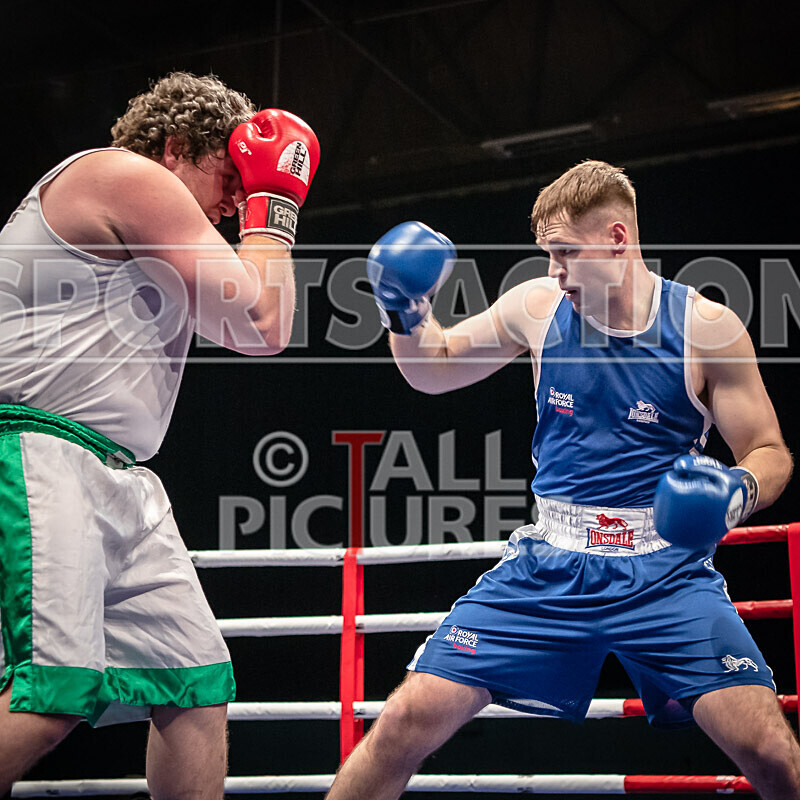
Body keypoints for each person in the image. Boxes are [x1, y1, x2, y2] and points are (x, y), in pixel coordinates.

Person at [326, 161, 800, 799]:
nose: (554, 271)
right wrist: (403, 309)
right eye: (548, 254)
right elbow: (433, 367)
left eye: (566, 252)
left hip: (666, 573)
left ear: (616, 238)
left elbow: (768, 450)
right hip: (549, 564)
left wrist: (736, 490)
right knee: (404, 720)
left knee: (770, 751)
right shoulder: (538, 307)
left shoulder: (704, 328)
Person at [0, 72, 319, 796]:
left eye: (248, 185)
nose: (235, 200)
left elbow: (260, 331)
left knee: (192, 685)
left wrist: (267, 210)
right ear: (176, 148)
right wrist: (275, 204)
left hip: (117, 476)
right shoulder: (124, 176)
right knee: (51, 696)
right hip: (40, 451)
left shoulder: (159, 243)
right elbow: (265, 316)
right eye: (229, 176)